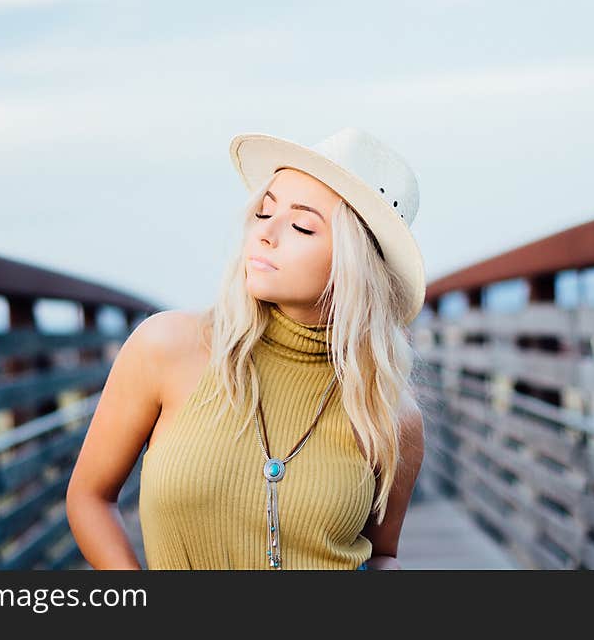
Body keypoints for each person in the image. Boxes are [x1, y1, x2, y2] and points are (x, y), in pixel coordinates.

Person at [66, 127, 427, 570]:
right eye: (264, 211)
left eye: (300, 225)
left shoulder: (389, 413)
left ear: (356, 263)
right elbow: (89, 497)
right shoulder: (167, 347)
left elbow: (382, 556)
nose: (264, 234)